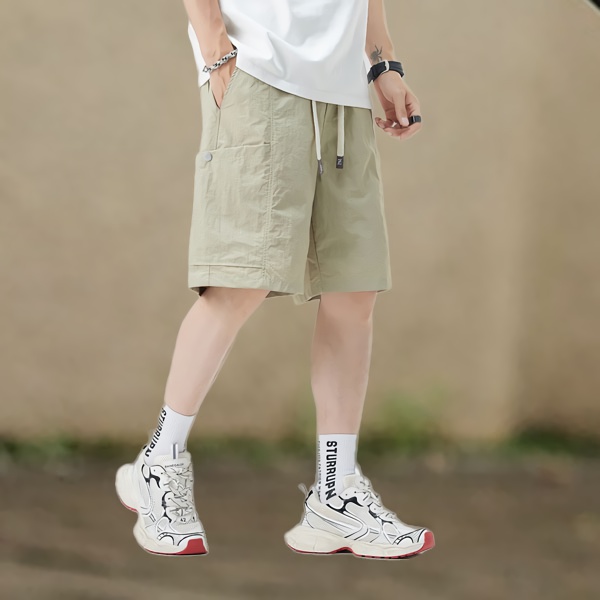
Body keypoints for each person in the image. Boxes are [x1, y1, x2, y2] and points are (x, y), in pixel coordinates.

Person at [115, 0, 435, 559]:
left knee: (353, 289)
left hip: (344, 90)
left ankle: (335, 495)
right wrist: (215, 49)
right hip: (260, 74)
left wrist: (382, 62)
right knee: (239, 281)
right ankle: (158, 462)